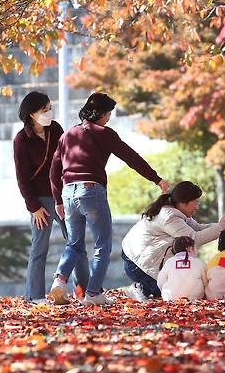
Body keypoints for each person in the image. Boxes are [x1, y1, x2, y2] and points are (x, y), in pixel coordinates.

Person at [49, 92, 169, 306]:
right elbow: (131, 157)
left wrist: (58, 199)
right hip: (91, 191)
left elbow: (53, 171)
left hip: (68, 192)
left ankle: (60, 279)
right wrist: (157, 179)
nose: (109, 118)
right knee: (102, 245)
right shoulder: (104, 133)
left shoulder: (67, 135)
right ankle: (93, 293)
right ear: (101, 114)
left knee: (74, 244)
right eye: (108, 113)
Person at [13, 91, 88, 303]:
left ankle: (84, 292)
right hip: (40, 202)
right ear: (31, 114)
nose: (49, 113)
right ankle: (34, 296)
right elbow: (22, 178)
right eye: (44, 109)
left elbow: (68, 160)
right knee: (39, 248)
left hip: (63, 196)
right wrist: (34, 207)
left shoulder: (55, 129)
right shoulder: (21, 140)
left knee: (76, 243)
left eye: (49, 108)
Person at [121, 181, 225, 302]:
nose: (197, 206)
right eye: (195, 202)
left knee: (180, 285)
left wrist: (220, 225)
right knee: (171, 288)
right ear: (184, 202)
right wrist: (221, 227)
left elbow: (198, 228)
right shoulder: (169, 216)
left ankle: (146, 287)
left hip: (142, 257)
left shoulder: (178, 213)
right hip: (135, 263)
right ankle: (140, 288)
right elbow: (193, 239)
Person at [157, 236, 207, 301]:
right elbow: (206, 283)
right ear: (190, 248)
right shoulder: (199, 263)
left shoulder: (169, 262)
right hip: (196, 300)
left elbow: (160, 282)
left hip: (172, 300)